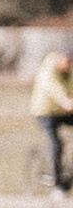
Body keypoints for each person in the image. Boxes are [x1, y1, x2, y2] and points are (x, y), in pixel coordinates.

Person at [31, 43, 73, 192]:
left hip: (64, 111)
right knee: (56, 144)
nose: (68, 65)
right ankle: (57, 183)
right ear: (60, 57)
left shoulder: (69, 70)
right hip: (45, 112)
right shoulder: (48, 69)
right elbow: (52, 87)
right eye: (67, 61)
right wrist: (65, 101)